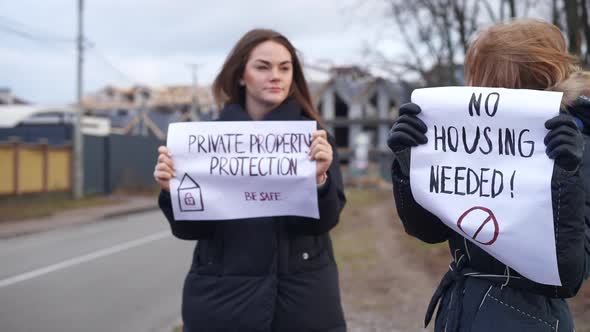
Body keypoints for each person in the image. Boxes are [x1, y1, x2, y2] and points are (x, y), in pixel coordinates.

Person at [388, 19, 587, 331]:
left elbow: (570, 274)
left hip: (531, 320)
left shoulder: (575, 149)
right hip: (460, 309)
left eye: (493, 84)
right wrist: (408, 163)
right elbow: (428, 230)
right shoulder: (468, 143)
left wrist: (566, 176)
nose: (477, 94)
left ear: (536, 81)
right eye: (476, 82)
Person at [153, 29, 346, 332]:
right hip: (223, 307)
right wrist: (171, 191)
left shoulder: (315, 140)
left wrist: (320, 180)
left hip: (302, 306)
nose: (276, 76)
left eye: (285, 68)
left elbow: (323, 223)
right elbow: (190, 230)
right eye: (263, 67)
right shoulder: (203, 144)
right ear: (240, 75)